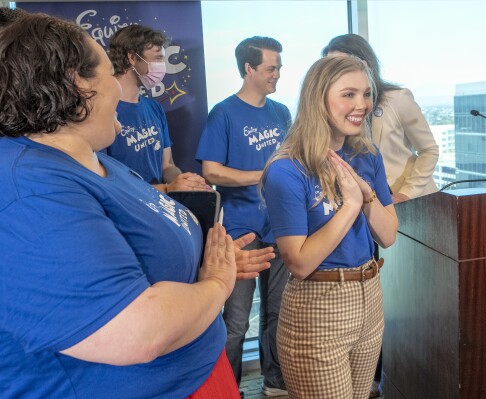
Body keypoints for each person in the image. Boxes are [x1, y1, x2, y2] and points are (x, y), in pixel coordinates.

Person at [0, 12, 274, 399]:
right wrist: (216, 283)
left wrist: (207, 261)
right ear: (78, 83)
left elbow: (136, 251)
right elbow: (137, 332)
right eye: (109, 73)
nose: (118, 87)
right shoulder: (27, 190)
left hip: (196, 372)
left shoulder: (96, 159)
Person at [261, 55, 399, 398]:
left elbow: (389, 234)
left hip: (370, 296)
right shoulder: (287, 170)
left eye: (366, 94)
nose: (362, 105)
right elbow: (300, 262)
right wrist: (350, 205)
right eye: (348, 94)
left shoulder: (368, 156)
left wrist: (366, 197)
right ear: (318, 98)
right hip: (319, 305)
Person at [195, 36, 291, 397]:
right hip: (240, 233)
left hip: (281, 226)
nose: (277, 74)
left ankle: (275, 382)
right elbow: (211, 171)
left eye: (279, 67)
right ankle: (228, 389)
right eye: (271, 68)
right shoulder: (223, 113)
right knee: (235, 324)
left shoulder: (281, 112)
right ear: (249, 68)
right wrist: (262, 175)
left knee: (277, 313)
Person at [323, 33, 439, 204]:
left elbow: (429, 151)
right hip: (369, 202)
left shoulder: (398, 99)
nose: (335, 71)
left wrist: (407, 193)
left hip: (411, 201)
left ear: (364, 64)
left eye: (342, 64)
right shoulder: (333, 108)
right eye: (329, 66)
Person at [106, 24, 210, 193]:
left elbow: (167, 166)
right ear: (132, 58)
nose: (162, 66)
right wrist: (167, 188)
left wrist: (183, 181)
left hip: (159, 209)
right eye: (157, 58)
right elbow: (108, 183)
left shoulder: (154, 108)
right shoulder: (104, 112)